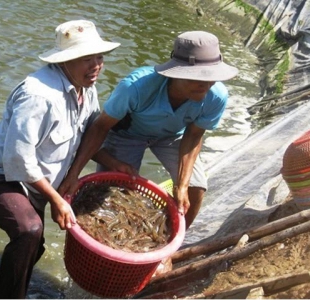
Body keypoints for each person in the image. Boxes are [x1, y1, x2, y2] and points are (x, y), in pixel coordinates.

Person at [0, 20, 120, 299]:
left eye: (99, 57)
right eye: (87, 59)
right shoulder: (38, 95)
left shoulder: (87, 88)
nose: (96, 65)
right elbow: (18, 158)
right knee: (29, 230)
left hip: (35, 181)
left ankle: (6, 288)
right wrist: (56, 198)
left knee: (33, 246)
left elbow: (86, 138)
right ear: (65, 61)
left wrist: (115, 165)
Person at [59, 31, 239, 230]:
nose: (206, 86)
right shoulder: (136, 87)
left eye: (211, 79)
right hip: (128, 134)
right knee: (114, 191)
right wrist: (74, 173)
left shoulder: (216, 96)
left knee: (196, 187)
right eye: (198, 79)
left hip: (172, 136)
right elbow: (100, 127)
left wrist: (182, 185)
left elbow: (194, 135)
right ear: (176, 74)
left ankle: (172, 242)